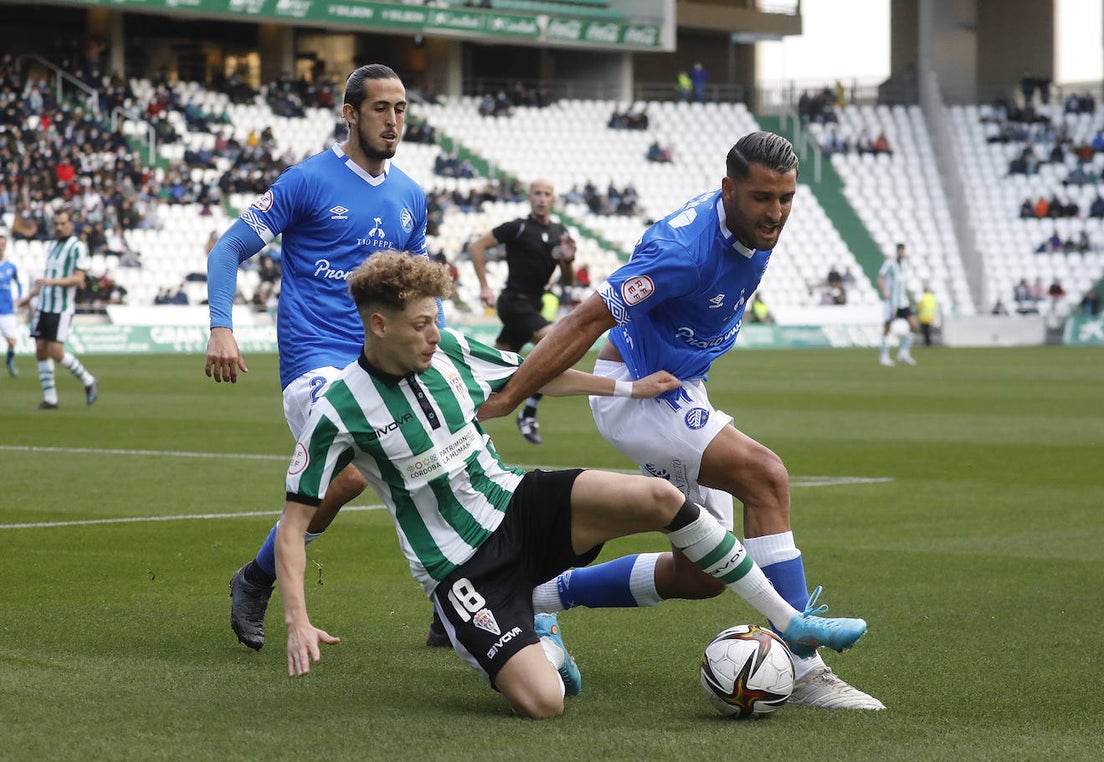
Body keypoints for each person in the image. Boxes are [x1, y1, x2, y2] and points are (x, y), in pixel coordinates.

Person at [276, 252, 868, 718]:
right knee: (545, 702)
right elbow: (294, 525)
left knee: (664, 499)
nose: (435, 334)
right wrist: (297, 621)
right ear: (379, 325)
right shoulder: (338, 411)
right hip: (461, 569)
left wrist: (629, 390)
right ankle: (528, 623)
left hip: (517, 503)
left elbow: (538, 374)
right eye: (422, 324)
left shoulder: (452, 351)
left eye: (436, 321)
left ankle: (791, 624)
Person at [478, 132, 883, 710]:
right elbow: (583, 320)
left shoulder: (752, 226)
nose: (776, 213)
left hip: (679, 385)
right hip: (640, 388)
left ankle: (538, 596)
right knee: (764, 475)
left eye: (786, 198)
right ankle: (805, 666)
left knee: (701, 576)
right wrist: (515, 393)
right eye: (763, 198)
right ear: (728, 191)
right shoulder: (681, 252)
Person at [203, 64, 436, 652]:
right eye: (381, 108)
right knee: (356, 470)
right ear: (350, 113)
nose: (393, 120)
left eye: (401, 108)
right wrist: (221, 327)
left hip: (384, 362)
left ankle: (456, 597)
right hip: (316, 362)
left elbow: (418, 290)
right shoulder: (306, 181)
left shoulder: (410, 196)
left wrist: (433, 344)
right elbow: (227, 250)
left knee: (439, 464)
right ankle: (259, 581)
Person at [467, 178, 575, 447]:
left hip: (533, 306)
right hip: (513, 302)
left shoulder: (560, 232)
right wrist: (484, 286)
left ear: (553, 199)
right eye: (537, 193)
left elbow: (568, 280)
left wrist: (568, 261)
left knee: (488, 370)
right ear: (529, 197)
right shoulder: (517, 227)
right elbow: (476, 246)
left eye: (547, 194)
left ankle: (463, 418)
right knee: (556, 346)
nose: (541, 198)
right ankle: (528, 413)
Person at [17, 208, 99, 409]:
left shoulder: (77, 247)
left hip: (61, 308)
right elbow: (46, 278)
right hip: (44, 305)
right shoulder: (52, 245)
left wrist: (52, 281)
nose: (59, 227)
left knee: (56, 351)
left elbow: (78, 278)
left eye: (63, 223)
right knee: (40, 350)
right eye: (56, 224)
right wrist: (30, 296)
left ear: (70, 224)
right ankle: (50, 398)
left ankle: (88, 379)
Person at [878, 243, 918, 366]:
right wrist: (884, 291)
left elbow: (902, 283)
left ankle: (903, 352)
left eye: (903, 251)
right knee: (887, 328)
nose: (902, 253)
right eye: (900, 251)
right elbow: (880, 277)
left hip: (902, 302)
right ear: (897, 252)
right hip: (891, 303)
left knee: (914, 324)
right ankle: (884, 356)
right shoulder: (890, 264)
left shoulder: (905, 264)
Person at [0, 229, 23, 377]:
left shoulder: (10, 266)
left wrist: (19, 297)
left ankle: (10, 361)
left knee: (12, 342)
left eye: (2, 245)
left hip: (7, 310)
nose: (0, 247)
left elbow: (19, 283)